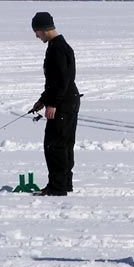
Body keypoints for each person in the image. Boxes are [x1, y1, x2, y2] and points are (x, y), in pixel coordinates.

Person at [30, 12, 81, 196]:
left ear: (44, 29)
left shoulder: (57, 49)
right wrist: (43, 100)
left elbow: (61, 81)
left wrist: (53, 104)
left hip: (63, 103)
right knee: (65, 143)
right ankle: (65, 183)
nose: (36, 36)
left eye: (37, 32)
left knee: (54, 144)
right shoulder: (60, 45)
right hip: (68, 99)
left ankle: (57, 187)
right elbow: (56, 82)